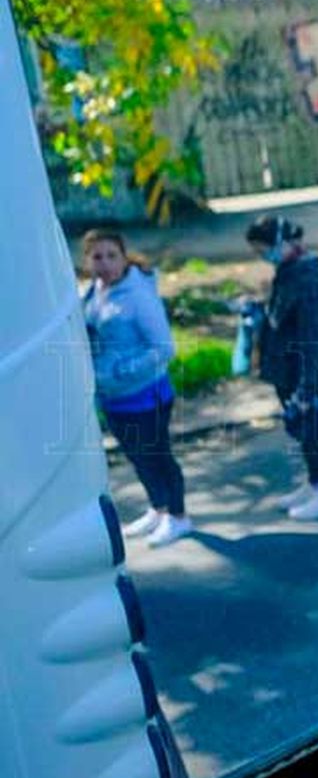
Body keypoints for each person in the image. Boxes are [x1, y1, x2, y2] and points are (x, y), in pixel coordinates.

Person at [80, 229, 193, 548]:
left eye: (111, 255)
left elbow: (163, 348)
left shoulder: (138, 295)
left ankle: (179, 517)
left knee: (158, 456)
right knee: (138, 457)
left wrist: (119, 371)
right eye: (96, 256)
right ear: (87, 260)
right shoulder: (94, 292)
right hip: (113, 398)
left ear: (124, 256)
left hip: (146, 395)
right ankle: (158, 509)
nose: (104, 263)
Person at [244, 215, 318, 520]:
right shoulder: (288, 271)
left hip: (299, 370)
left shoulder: (307, 279)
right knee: (303, 430)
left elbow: (313, 338)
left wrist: (306, 387)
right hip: (286, 368)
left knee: (314, 429)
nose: (264, 257)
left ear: (284, 243)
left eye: (265, 250)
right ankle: (315, 483)